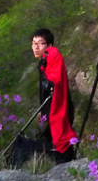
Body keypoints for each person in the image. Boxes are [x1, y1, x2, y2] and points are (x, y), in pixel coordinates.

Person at [31, 28, 77, 163]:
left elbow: (53, 81)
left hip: (60, 110)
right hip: (51, 112)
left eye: (40, 43)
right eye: (33, 43)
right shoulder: (44, 62)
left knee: (62, 142)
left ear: (49, 45)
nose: (36, 47)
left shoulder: (52, 54)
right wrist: (42, 111)